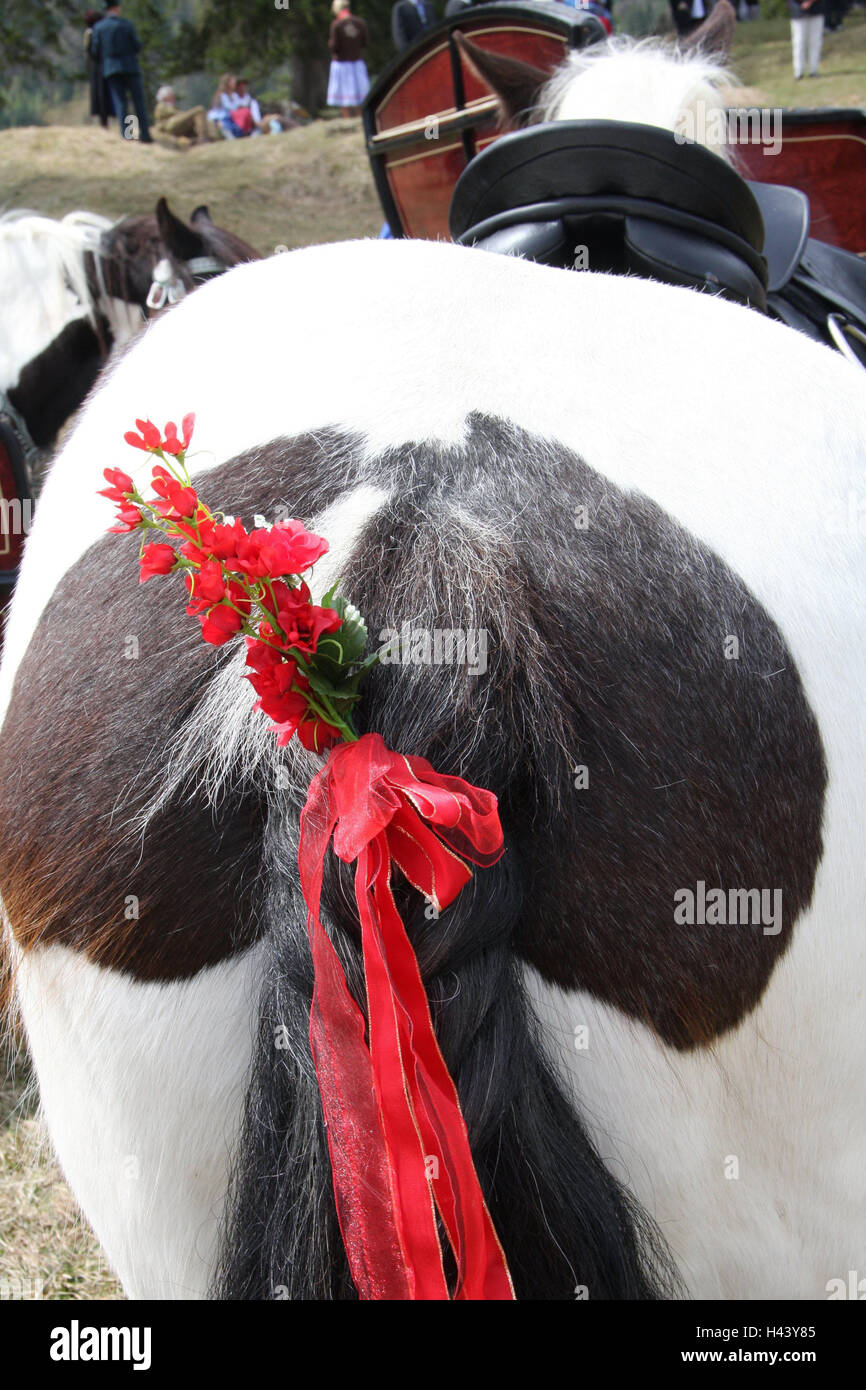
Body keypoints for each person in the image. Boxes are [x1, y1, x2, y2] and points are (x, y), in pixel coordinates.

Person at [90, 1, 152, 142]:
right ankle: (145, 134)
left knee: (121, 102)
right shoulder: (126, 25)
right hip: (130, 67)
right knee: (138, 102)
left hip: (112, 69)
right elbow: (137, 46)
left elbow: (95, 52)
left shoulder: (99, 28)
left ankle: (128, 134)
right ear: (117, 8)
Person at [327, 2, 370, 117]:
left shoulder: (337, 24)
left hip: (342, 63)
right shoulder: (359, 23)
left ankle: (346, 116)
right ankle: (360, 115)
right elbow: (365, 42)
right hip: (357, 61)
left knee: (343, 95)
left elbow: (334, 46)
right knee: (360, 93)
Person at [84, 9, 112, 128]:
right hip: (105, 65)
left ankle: (103, 122)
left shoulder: (90, 33)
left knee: (100, 95)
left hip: (96, 67)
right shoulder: (98, 33)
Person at [789, 0, 825, 78]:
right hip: (798, 10)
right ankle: (798, 71)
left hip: (816, 9)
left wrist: (810, 1)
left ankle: (813, 70)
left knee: (815, 42)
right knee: (799, 43)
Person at [207, 73, 242, 139]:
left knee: (238, 130)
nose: (235, 83)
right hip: (219, 118)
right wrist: (239, 106)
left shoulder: (234, 94)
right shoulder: (223, 95)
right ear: (228, 83)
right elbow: (230, 107)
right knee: (226, 126)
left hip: (228, 118)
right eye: (233, 82)